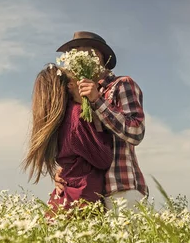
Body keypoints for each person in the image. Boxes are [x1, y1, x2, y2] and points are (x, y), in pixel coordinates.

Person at [54, 31, 149, 212]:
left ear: (99, 56)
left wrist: (97, 100)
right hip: (87, 192)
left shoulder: (122, 85)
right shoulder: (76, 96)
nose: (75, 60)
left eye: (83, 52)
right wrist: (63, 172)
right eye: (73, 54)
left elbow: (136, 132)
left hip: (120, 188)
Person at [22, 64, 113, 214]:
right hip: (81, 198)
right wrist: (105, 134)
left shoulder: (55, 121)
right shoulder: (76, 116)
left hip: (64, 197)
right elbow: (103, 159)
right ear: (68, 86)